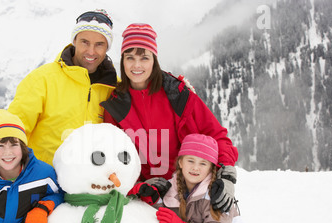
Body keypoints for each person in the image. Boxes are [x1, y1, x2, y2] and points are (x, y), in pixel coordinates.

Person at [0, 9, 117, 198]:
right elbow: (15, 125)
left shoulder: (114, 88)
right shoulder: (44, 79)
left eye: (99, 44)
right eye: (84, 42)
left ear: (107, 48)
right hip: (40, 185)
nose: (91, 51)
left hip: (88, 188)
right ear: (74, 41)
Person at [101, 23, 238, 212]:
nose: (137, 65)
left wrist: (226, 175)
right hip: (146, 196)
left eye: (144, 58)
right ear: (122, 61)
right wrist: (138, 187)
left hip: (189, 187)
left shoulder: (177, 94)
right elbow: (113, 160)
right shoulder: (116, 105)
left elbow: (215, 135)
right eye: (130, 57)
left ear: (154, 60)